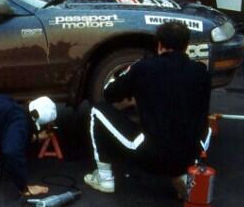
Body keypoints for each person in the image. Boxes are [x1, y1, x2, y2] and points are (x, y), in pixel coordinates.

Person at [84, 21, 211, 196]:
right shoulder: (201, 72)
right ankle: (184, 175)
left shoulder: (143, 68)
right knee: (203, 122)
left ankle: (104, 177)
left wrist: (135, 86)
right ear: (186, 46)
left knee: (98, 111)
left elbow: (109, 93)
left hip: (151, 157)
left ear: (159, 44)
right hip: (191, 156)